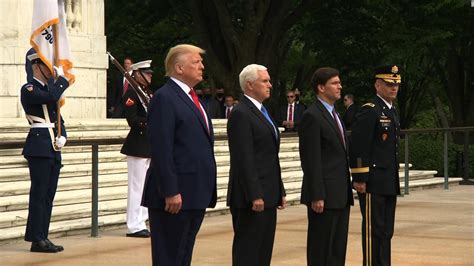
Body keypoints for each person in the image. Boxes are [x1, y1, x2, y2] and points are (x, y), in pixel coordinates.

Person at [142, 44, 217, 265]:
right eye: (196, 62)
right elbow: (162, 148)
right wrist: (170, 190)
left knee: (183, 255)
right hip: (175, 196)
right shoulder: (165, 98)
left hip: (194, 192)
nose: (202, 66)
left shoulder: (195, 99)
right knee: (170, 257)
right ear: (179, 67)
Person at [227, 64, 287, 266]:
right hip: (251, 196)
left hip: (268, 192)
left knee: (263, 252)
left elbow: (270, 156)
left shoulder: (262, 110)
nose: (270, 84)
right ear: (250, 84)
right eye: (265, 81)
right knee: (248, 252)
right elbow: (244, 157)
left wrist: (279, 190)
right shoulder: (241, 112)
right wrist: (255, 194)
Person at [299, 67, 354, 265]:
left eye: (339, 82)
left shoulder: (335, 114)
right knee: (321, 249)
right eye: (334, 83)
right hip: (324, 196)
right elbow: (310, 159)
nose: (340, 86)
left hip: (340, 194)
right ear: (321, 88)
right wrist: (317, 194)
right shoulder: (312, 116)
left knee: (337, 250)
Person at [349, 65, 402, 266]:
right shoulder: (370, 110)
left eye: (396, 84)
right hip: (373, 180)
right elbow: (359, 145)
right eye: (389, 84)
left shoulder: (390, 110)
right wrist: (360, 177)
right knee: (374, 230)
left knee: (387, 230)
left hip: (388, 179)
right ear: (377, 85)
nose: (393, 88)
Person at [21, 48, 70, 253]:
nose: (51, 70)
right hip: (39, 147)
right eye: (47, 66)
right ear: (36, 66)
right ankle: (36, 237)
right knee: (39, 194)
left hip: (52, 147)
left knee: (49, 194)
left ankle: (43, 236)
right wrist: (62, 81)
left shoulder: (49, 89)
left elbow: (57, 115)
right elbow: (50, 97)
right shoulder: (29, 88)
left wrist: (63, 135)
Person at [120, 60, 155, 238]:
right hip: (137, 145)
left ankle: (143, 220)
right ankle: (134, 224)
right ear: (138, 74)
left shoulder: (147, 93)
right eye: (147, 73)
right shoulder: (132, 93)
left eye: (150, 73)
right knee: (136, 186)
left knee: (145, 186)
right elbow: (133, 121)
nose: (150, 76)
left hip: (148, 145)